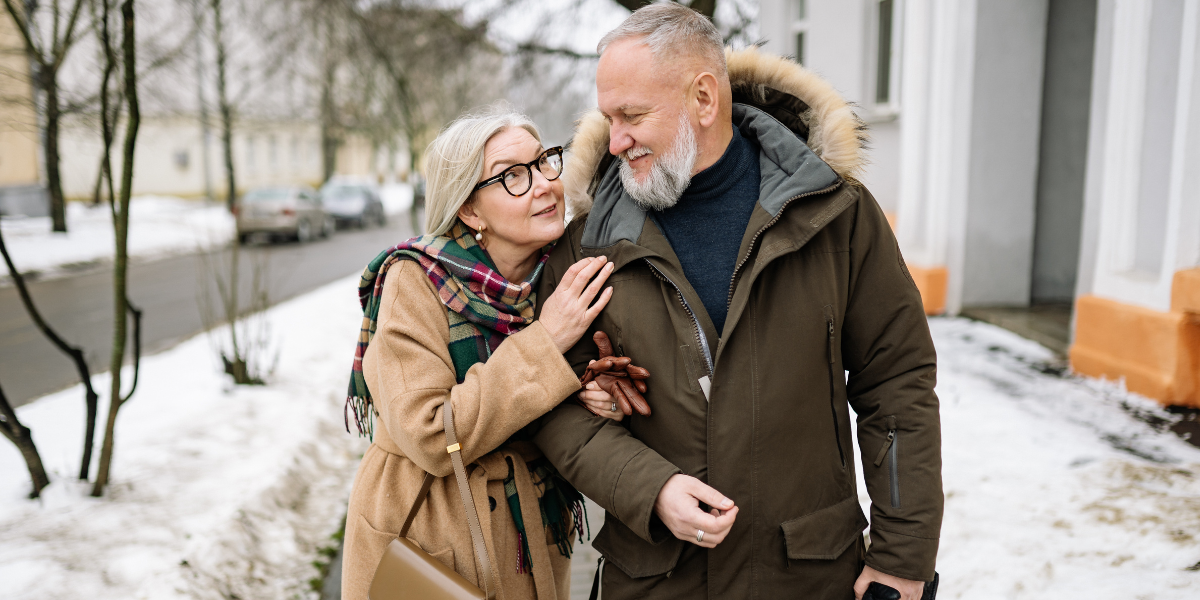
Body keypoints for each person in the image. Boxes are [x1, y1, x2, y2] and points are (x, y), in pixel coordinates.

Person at [533, 4, 943, 600]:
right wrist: (650, 488)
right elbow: (551, 404)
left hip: (806, 578)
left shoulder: (836, 216)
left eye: (633, 115)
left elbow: (897, 384)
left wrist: (902, 560)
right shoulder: (589, 243)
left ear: (704, 98)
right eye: (608, 118)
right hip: (655, 582)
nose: (615, 140)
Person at [340, 107, 632, 600]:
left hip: (531, 532)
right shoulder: (414, 281)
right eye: (513, 176)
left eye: (544, 163)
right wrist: (547, 342)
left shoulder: (558, 274)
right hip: (430, 533)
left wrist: (591, 392)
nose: (544, 184)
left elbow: (539, 396)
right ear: (470, 211)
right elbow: (432, 434)